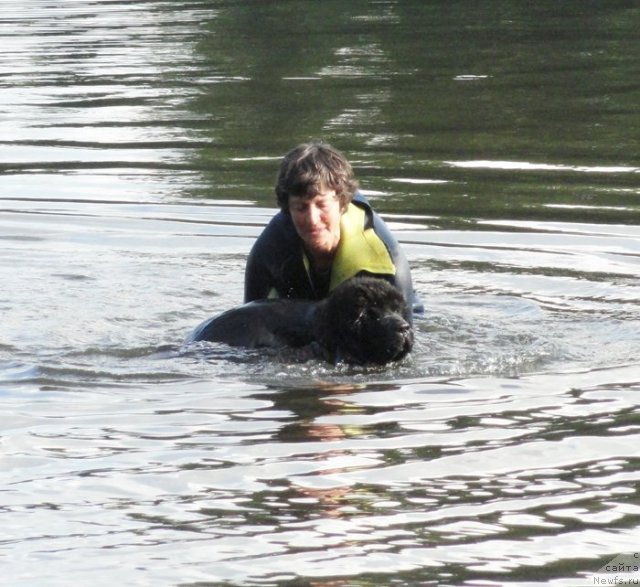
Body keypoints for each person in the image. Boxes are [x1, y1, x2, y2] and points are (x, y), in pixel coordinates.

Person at [244, 140, 416, 321]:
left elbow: (404, 336)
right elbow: (247, 326)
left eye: (321, 205)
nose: (312, 219)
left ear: (342, 202)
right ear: (288, 209)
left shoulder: (386, 259)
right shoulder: (268, 252)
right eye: (301, 207)